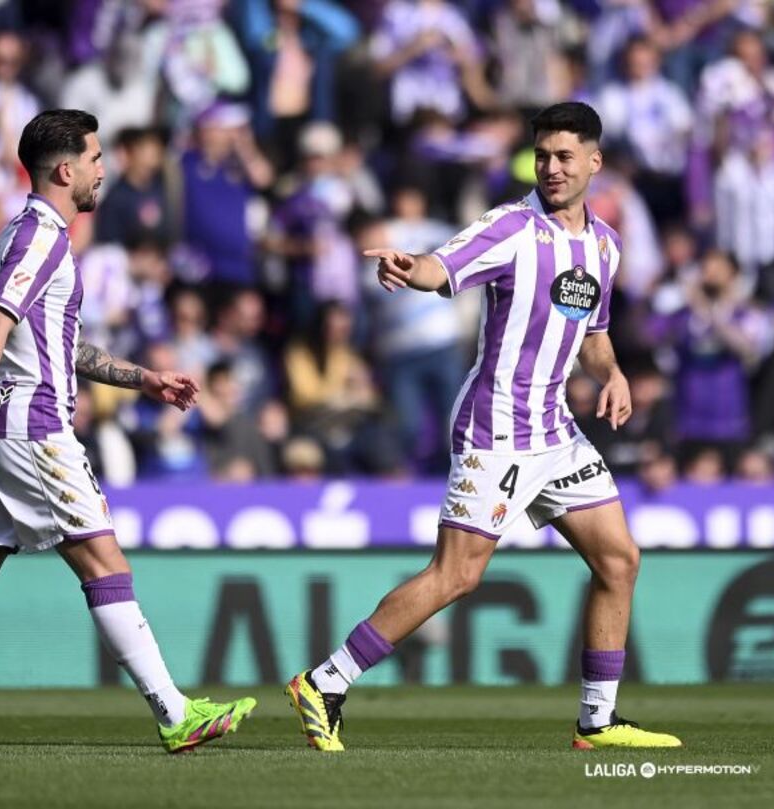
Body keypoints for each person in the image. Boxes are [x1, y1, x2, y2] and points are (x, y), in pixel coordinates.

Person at [285, 102, 682, 752]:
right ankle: (325, 681)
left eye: (563, 156)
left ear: (594, 161)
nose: (551, 168)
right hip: (496, 430)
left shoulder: (604, 245)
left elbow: (596, 335)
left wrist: (612, 373)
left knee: (619, 559)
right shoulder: (511, 228)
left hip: (555, 432)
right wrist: (407, 265)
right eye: (542, 156)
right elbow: (440, 266)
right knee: (456, 575)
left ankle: (597, 721)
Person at [0, 109, 255, 757]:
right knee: (105, 563)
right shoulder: (40, 237)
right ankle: (173, 711)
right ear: (67, 169)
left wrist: (144, 380)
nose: (105, 169)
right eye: (98, 158)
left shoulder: (27, 235)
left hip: (5, 424)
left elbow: (53, 341)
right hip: (32, 426)